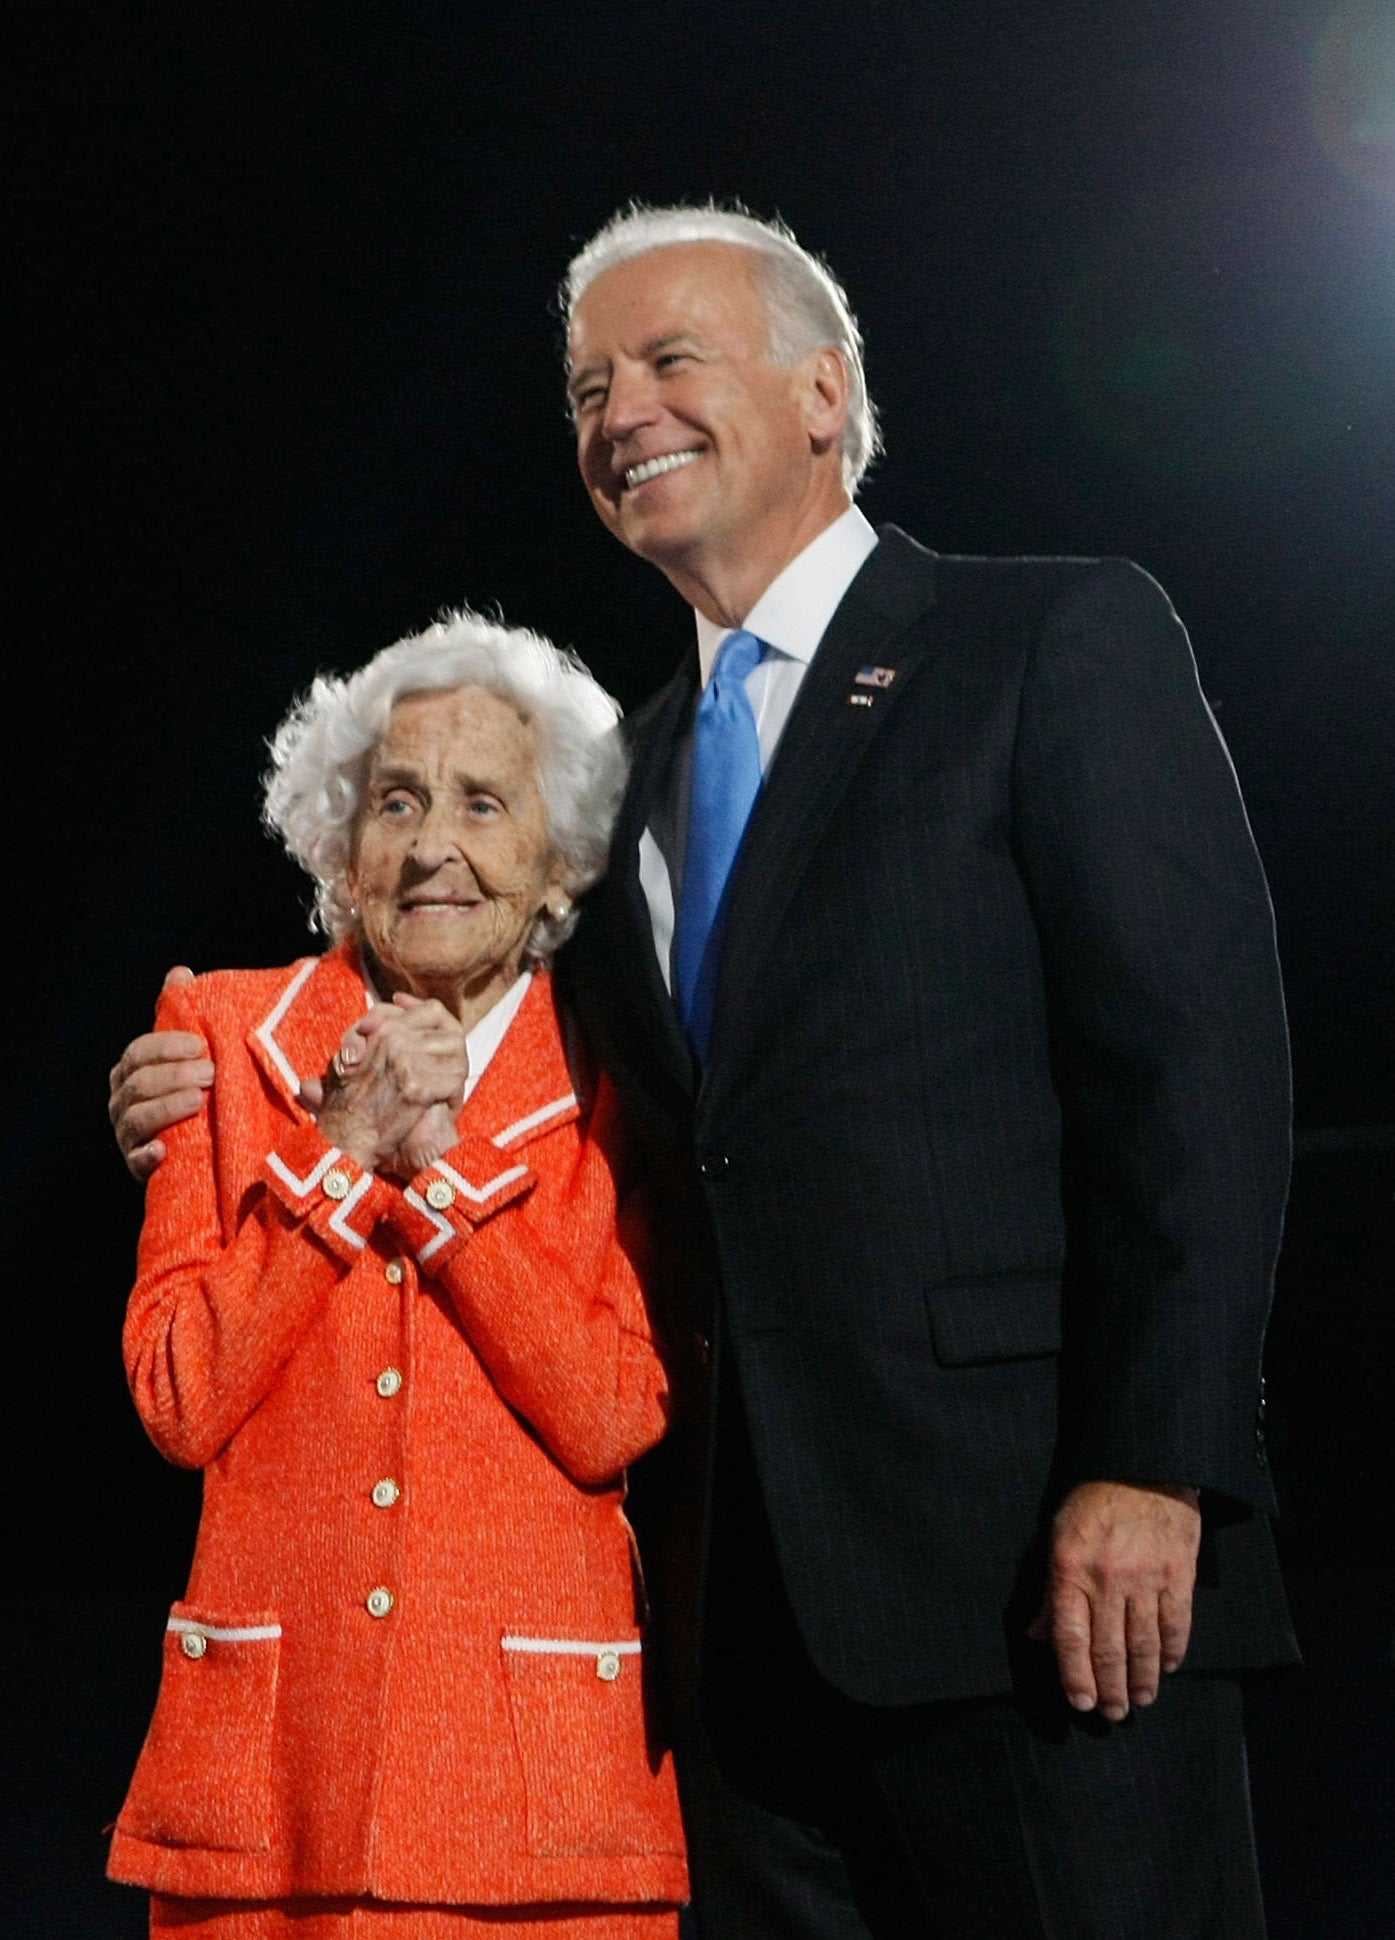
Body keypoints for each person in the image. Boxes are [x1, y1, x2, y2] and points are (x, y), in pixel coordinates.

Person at [112, 205, 1296, 1938]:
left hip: (1042, 1595)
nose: (620, 411)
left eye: (672, 361)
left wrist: (1156, 1465)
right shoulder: (621, 784)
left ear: (826, 392)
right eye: (590, 384)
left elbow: (1198, 1078)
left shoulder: (1049, 644)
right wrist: (186, 1078)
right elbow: (489, 1018)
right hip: (728, 1650)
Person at [106, 612, 688, 1939]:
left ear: (557, 867)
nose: (434, 844)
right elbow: (180, 1398)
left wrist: (439, 1167)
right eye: (396, 801)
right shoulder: (216, 1033)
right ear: (339, 846)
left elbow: (611, 1416)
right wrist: (342, 1151)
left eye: (486, 803)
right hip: (266, 1812)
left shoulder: (626, 1083)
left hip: (541, 1818)